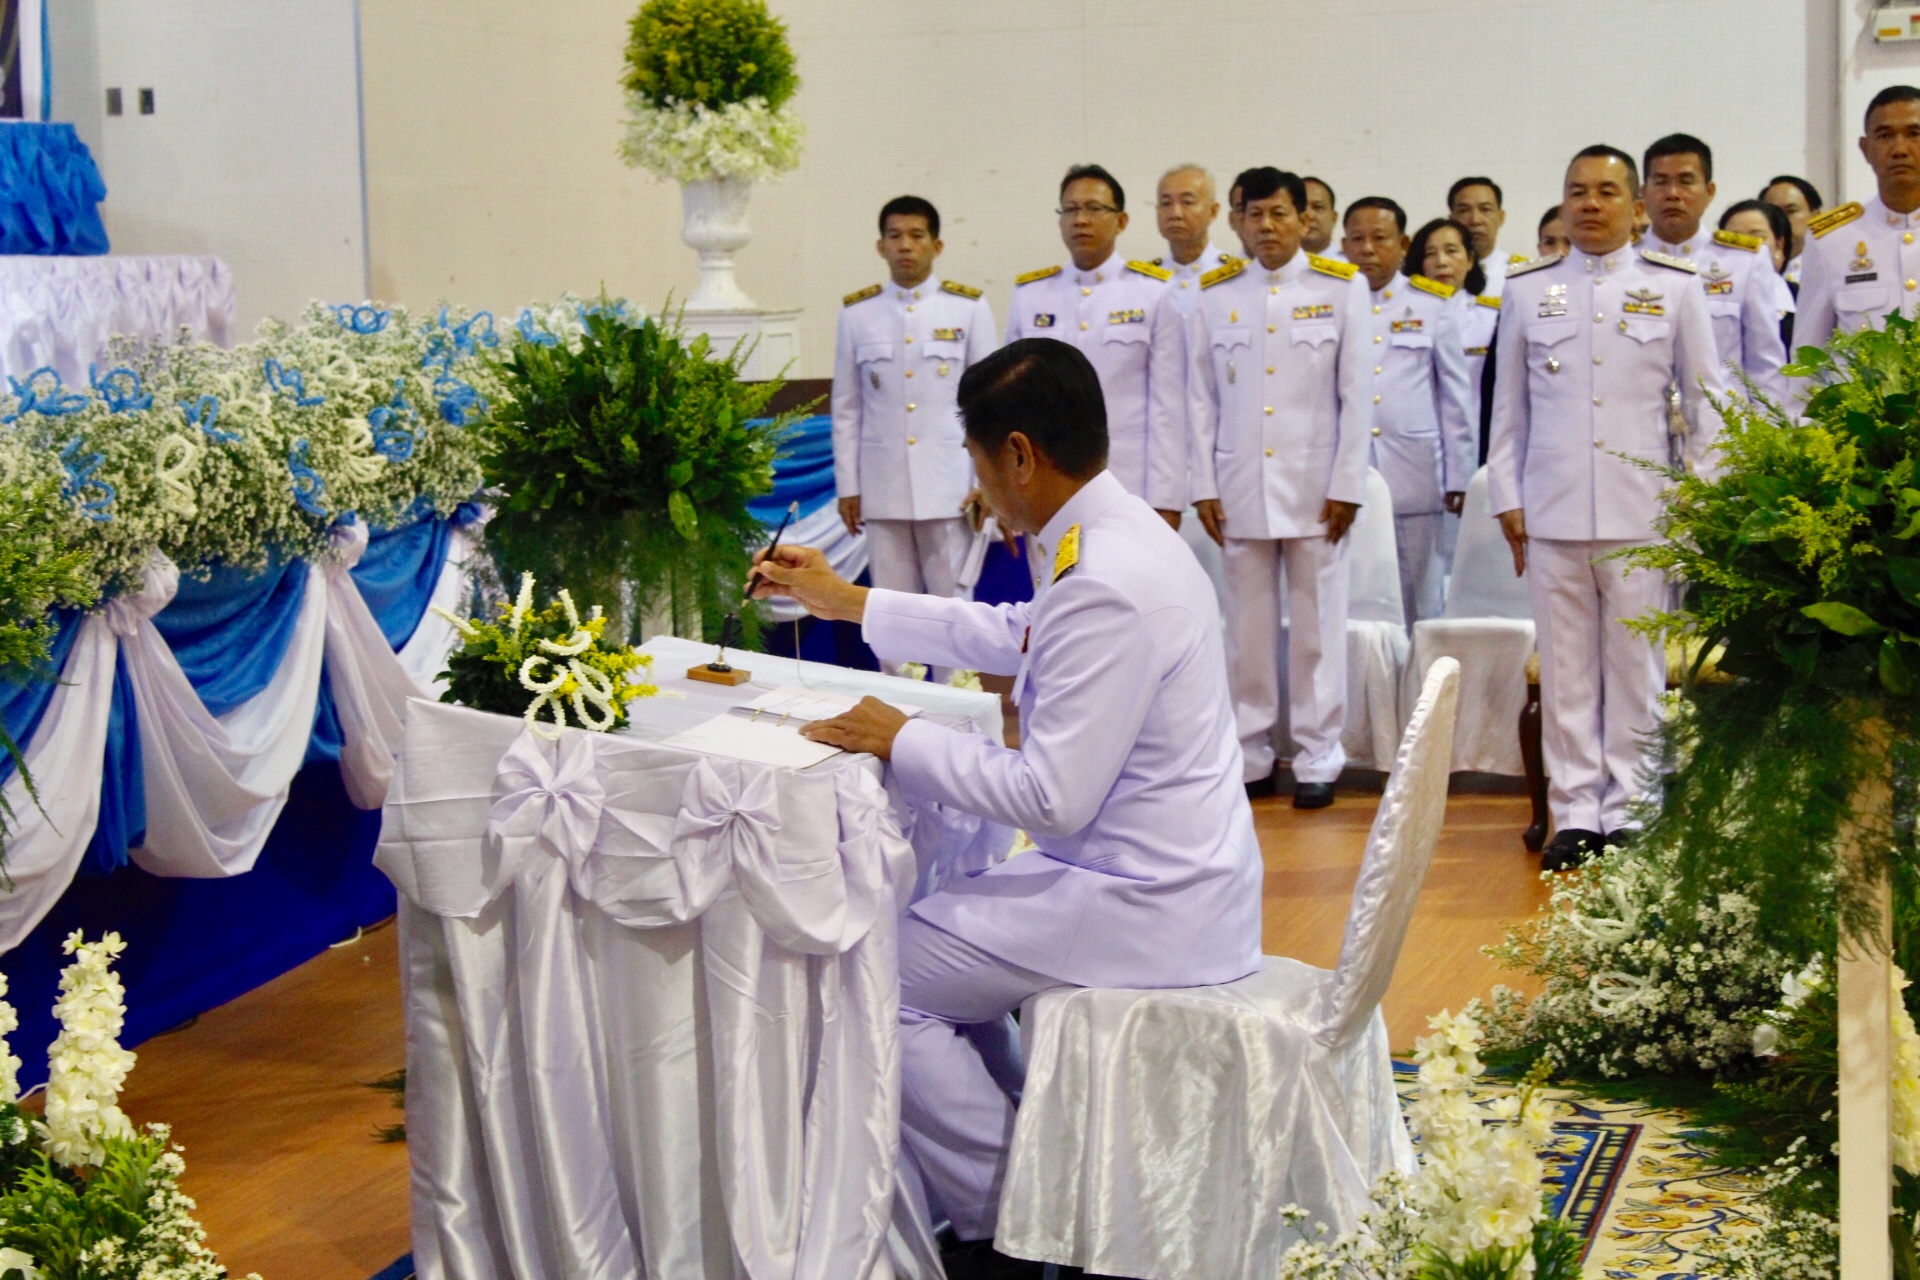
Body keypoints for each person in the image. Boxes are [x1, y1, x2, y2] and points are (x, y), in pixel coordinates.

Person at [752, 338, 1263, 1280]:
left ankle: (1006, 1223)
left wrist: (898, 735)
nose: (980, 486)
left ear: (1019, 454)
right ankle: (1042, 1161)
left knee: (885, 977)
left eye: (979, 462)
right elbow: (1022, 633)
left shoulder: (1103, 575)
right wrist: (846, 600)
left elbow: (1051, 798)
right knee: (942, 936)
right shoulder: (1120, 534)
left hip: (1150, 896)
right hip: (1165, 866)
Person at [1487, 144, 1727, 872]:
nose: (1590, 204)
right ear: (1562, 203)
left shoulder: (1676, 287)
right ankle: (1575, 814)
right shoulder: (1529, 289)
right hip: (1554, 510)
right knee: (1565, 671)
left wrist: (1700, 499)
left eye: (1606, 192)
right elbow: (1509, 408)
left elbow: (1708, 401)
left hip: (1642, 511)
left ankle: (1633, 809)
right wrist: (1508, 495)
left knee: (1635, 668)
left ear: (1636, 205)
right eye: (1576, 191)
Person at [1189, 167, 1372, 808]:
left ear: (1304, 220)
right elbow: (1200, 399)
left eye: (1279, 214)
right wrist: (1203, 483)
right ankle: (1252, 754)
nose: (1266, 227)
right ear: (1236, 222)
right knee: (1247, 631)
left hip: (1318, 490)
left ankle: (1320, 757)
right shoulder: (1213, 295)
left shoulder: (1342, 289)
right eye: (1253, 215)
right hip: (1239, 488)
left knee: (1319, 626)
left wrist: (1348, 483)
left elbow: (1356, 396)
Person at [833, 196, 999, 640]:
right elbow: (847, 408)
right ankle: (895, 702)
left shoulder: (968, 309)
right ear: (880, 246)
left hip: (950, 488)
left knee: (952, 612)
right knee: (890, 614)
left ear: (937, 245)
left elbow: (989, 404)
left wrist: (986, 482)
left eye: (916, 235)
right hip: (882, 488)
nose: (905, 245)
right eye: (894, 236)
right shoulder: (857, 314)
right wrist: (849, 486)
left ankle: (955, 700)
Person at [1006, 164, 1187, 536]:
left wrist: (1167, 498)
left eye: (1093, 209)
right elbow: (1011, 402)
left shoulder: (1153, 292)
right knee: (1054, 589)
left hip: (1128, 482)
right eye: (1070, 210)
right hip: (1047, 484)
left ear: (1121, 220)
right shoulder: (1032, 296)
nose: (1080, 220)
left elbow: (1169, 406)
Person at [1343, 197, 1474, 625]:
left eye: (1379, 239)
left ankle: (1427, 688)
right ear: (1343, 244)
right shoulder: (1330, 303)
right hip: (1348, 480)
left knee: (1422, 601)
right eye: (1357, 240)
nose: (1367, 249)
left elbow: (1455, 397)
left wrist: (1460, 474)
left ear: (1401, 244)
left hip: (1414, 474)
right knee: (1359, 601)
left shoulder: (1431, 304)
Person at [1638, 133, 1788, 402]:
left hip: (1725, 431)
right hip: (1642, 432)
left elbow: (1765, 366)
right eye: (1661, 182)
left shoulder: (1744, 263)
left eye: (1686, 181)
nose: (1673, 194)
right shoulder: (1626, 262)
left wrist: (1768, 438)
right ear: (1643, 193)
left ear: (1710, 193)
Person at [1797, 86, 1920, 352]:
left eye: (1914, 134)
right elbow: (1809, 355)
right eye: (1885, 135)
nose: (1900, 149)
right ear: (1865, 149)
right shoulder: (1831, 240)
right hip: (1862, 394)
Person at [1409, 216, 1499, 456]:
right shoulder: (1404, 320)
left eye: (1451, 251)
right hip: (1420, 445)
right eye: (1430, 254)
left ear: (1470, 260)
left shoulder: (1491, 319)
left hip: (1482, 440)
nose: (1441, 262)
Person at [1720, 198, 1798, 353]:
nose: (1744, 246)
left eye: (1757, 238)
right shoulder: (1705, 295)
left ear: (1779, 244)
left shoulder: (1803, 297)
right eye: (1734, 239)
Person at [1155, 163, 1233, 311]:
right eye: (1166, 203)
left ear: (1213, 211)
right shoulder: (1142, 281)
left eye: (1187, 202)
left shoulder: (1237, 277)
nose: (1175, 213)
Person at [1448, 176, 1516, 294]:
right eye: (1464, 210)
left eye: (1485, 209)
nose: (1475, 220)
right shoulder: (1436, 271)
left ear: (1501, 217)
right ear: (1451, 220)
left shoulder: (1518, 274)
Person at [1761, 174, 1823, 292]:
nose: (1781, 219)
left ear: (1816, 216)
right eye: (1773, 212)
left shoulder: (1829, 268)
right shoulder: (1751, 270)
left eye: (1791, 211)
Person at [1302, 176, 1343, 259]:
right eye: (1301, 207)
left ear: (1334, 218)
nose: (1308, 215)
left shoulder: (1353, 267)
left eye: (1318, 207)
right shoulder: (1270, 266)